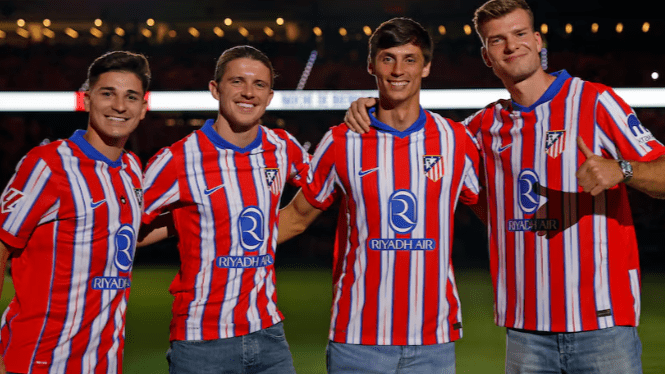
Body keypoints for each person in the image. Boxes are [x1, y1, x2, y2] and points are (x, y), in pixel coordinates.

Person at [344, 1, 665, 373]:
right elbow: (415, 139)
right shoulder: (482, 127)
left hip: (602, 324)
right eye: (498, 40)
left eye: (520, 34)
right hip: (526, 332)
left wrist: (622, 169)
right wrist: (374, 104)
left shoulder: (594, 101)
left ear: (538, 39)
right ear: (486, 56)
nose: (512, 46)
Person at [278, 18, 481, 373]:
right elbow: (295, 218)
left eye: (410, 58)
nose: (398, 70)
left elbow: (496, 211)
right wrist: (219, 244)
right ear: (371, 65)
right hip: (358, 341)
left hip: (432, 340)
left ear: (427, 66)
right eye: (387, 58)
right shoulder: (342, 140)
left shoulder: (456, 140)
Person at [140, 45, 310, 374]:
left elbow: (328, 186)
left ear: (270, 95)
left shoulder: (283, 147)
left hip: (269, 334)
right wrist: (187, 223)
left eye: (259, 84)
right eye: (237, 82)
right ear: (215, 89)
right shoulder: (177, 159)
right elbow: (123, 229)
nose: (248, 92)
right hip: (201, 341)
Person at [0, 51, 150, 374]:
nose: (120, 106)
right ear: (85, 100)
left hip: (105, 361)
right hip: (38, 360)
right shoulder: (48, 165)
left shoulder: (132, 169)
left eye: (131, 97)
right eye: (107, 93)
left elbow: (118, 235)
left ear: (143, 107)